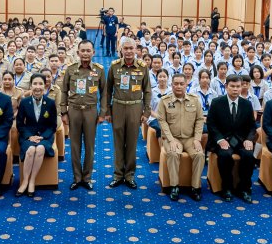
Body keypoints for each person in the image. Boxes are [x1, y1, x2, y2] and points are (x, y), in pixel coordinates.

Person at [104, 38, 151, 189]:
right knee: (118, 143)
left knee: (131, 143)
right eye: (126, 48)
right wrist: (107, 111)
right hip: (117, 107)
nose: (129, 51)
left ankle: (129, 175)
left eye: (132, 48)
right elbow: (108, 90)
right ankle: (118, 174)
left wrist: (147, 111)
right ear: (121, 50)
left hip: (135, 108)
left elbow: (148, 90)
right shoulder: (114, 66)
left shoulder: (143, 67)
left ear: (136, 49)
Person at [60, 40, 106, 191]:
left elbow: (104, 92)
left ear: (93, 52)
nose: (85, 53)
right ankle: (77, 178)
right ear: (78, 52)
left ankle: (87, 178)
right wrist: (64, 112)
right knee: (74, 146)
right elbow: (64, 91)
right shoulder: (71, 69)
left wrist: (102, 113)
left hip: (91, 111)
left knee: (90, 146)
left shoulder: (99, 70)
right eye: (83, 51)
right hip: (73, 111)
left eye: (88, 51)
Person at [205, 75, 258, 203]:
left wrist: (249, 139)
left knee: (248, 155)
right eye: (232, 86)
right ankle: (226, 188)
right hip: (222, 140)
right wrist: (219, 139)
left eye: (238, 86)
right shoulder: (217, 102)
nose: (235, 89)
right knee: (225, 155)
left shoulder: (246, 104)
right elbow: (211, 124)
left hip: (240, 140)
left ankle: (244, 188)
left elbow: (252, 126)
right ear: (226, 87)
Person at [156, 74, 205, 202]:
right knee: (173, 153)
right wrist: (171, 139)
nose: (178, 87)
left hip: (190, 138)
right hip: (172, 138)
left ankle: (195, 187)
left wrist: (197, 139)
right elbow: (162, 121)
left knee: (200, 155)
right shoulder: (165, 101)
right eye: (176, 84)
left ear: (186, 85)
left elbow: (200, 120)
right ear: (171, 85)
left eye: (181, 84)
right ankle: (174, 186)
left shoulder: (195, 100)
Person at [15, 74, 57, 197]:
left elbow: (52, 125)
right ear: (31, 85)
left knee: (39, 149)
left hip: (45, 136)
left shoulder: (50, 103)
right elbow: (19, 124)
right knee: (30, 149)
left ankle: (32, 180)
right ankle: (25, 181)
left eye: (40, 84)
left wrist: (42, 137)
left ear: (45, 86)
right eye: (35, 84)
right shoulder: (24, 102)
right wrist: (29, 136)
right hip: (27, 136)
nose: (37, 87)